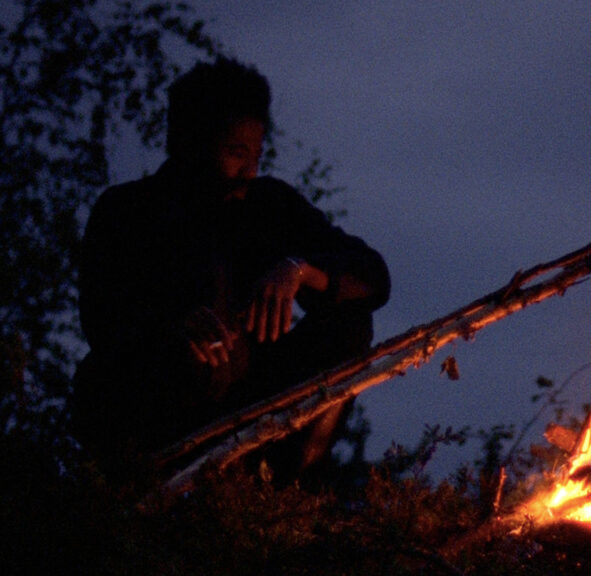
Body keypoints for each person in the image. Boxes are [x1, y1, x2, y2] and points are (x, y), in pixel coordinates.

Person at [72, 58, 390, 485]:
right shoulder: (127, 211)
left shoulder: (268, 205)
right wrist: (173, 327)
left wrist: (299, 271)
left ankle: (285, 493)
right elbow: (101, 321)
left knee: (350, 322)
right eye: (236, 154)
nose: (250, 171)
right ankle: (157, 487)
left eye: (256, 155)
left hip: (251, 401)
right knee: (167, 363)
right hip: (158, 402)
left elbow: (373, 277)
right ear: (188, 144)